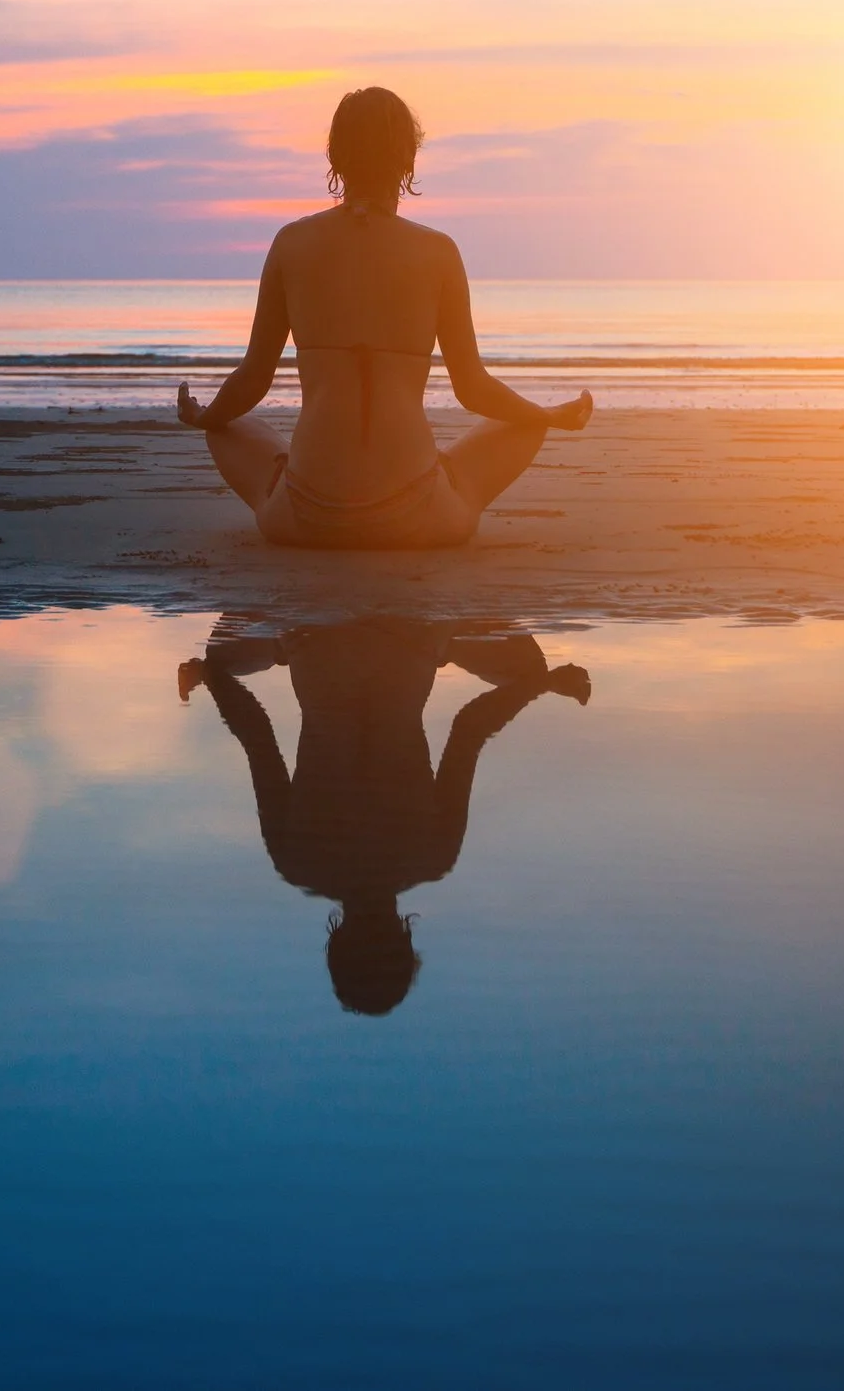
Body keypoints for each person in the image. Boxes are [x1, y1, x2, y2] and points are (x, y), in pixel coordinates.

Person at [176, 87, 592, 549]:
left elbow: (253, 379)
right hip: (417, 518)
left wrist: (204, 416)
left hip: (307, 516)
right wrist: (548, 415)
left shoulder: (292, 243)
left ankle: (288, 481)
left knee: (227, 427)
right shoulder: (438, 251)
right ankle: (448, 483)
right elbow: (472, 387)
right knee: (526, 422)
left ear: (334, 154)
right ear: (408, 157)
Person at [180, 617, 590, 1015]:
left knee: (529, 669)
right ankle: (422, 643)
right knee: (219, 659)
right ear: (337, 946)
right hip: (312, 632)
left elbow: (470, 729)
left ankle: (439, 644)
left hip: (414, 631)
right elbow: (256, 735)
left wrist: (541, 684)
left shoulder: (434, 856)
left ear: (404, 944)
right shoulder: (296, 863)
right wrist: (213, 678)